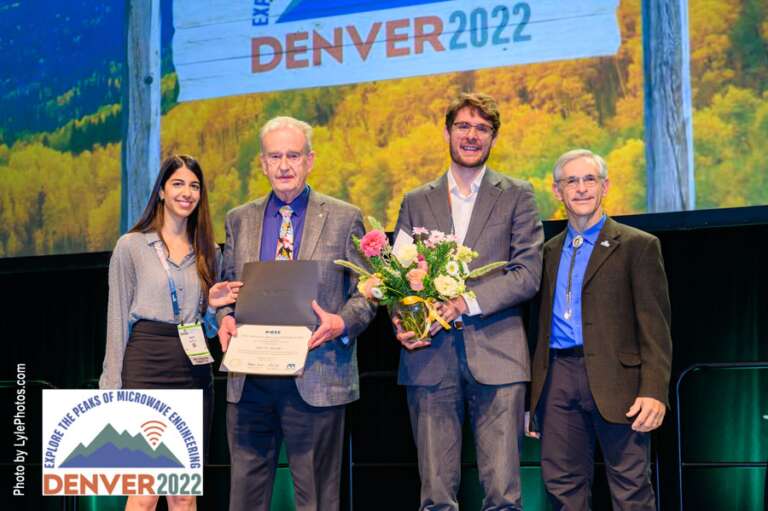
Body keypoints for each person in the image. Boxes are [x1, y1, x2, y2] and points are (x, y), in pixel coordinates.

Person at [215, 116, 376, 511]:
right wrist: (224, 318)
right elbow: (227, 289)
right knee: (244, 500)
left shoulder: (345, 217)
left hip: (317, 372)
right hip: (250, 379)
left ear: (310, 160)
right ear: (263, 164)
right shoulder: (239, 219)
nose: (284, 165)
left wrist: (342, 322)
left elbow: (368, 291)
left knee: (318, 500)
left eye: (293, 155)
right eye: (275, 156)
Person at [392, 92, 544, 510]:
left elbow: (528, 274)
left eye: (482, 128)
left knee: (502, 496)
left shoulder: (517, 194)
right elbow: (399, 277)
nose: (472, 136)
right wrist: (402, 322)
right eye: (464, 126)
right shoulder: (415, 199)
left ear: (493, 138)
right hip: (428, 358)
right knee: (436, 496)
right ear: (447, 132)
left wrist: (465, 302)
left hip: (497, 356)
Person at [528, 149, 672, 510]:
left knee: (631, 489)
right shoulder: (546, 251)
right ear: (557, 191)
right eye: (570, 181)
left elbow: (656, 328)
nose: (580, 189)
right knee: (562, 488)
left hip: (619, 382)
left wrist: (654, 390)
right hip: (558, 378)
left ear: (604, 186)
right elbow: (539, 328)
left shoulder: (638, 245)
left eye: (589, 179)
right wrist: (534, 398)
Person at [99, 154, 240, 511]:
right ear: (161, 191)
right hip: (146, 365)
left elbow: (207, 328)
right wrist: (110, 389)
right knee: (144, 494)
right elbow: (117, 320)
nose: (187, 192)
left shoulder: (210, 251)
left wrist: (213, 304)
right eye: (178, 183)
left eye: (194, 185)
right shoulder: (130, 246)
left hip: (193, 371)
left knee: (182, 494)